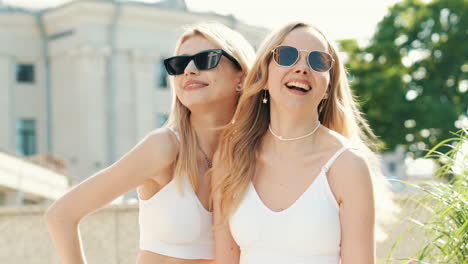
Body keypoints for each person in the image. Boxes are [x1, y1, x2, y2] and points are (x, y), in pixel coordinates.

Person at [45, 22, 254, 264]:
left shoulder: (252, 156)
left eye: (206, 59)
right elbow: (61, 215)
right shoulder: (163, 147)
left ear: (242, 76)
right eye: (178, 64)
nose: (189, 70)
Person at [212, 21, 395, 264]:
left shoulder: (348, 165)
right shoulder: (230, 158)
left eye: (318, 61)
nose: (301, 68)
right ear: (264, 77)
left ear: (328, 87)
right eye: (287, 56)